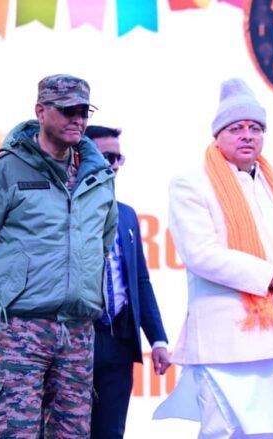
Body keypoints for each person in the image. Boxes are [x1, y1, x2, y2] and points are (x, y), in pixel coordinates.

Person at [165, 78, 273, 438]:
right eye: (236, 128)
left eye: (255, 128)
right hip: (224, 341)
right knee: (224, 432)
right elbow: (201, 254)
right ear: (217, 136)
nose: (247, 135)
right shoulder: (191, 182)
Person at [0, 74, 118, 437]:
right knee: (18, 431)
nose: (77, 119)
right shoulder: (4, 171)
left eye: (83, 111)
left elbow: (101, 247)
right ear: (40, 112)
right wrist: (4, 303)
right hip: (22, 327)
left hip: (78, 330)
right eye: (67, 110)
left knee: (73, 433)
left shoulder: (99, 177)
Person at [85, 126, 171, 438]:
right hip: (76, 339)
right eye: (106, 157)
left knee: (111, 432)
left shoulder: (127, 214)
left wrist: (158, 339)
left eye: (118, 158)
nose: (115, 165)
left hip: (119, 339)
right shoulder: (61, 210)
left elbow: (140, 281)